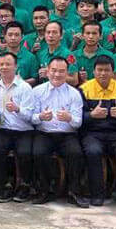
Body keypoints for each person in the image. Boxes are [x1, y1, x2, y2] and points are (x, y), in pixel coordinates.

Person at [30, 56, 88, 206]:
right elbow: (31, 118)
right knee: (38, 152)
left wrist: (69, 118)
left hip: (67, 134)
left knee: (76, 153)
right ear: (47, 71)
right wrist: (41, 116)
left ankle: (74, 192)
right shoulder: (37, 91)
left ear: (67, 73)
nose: (57, 74)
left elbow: (78, 123)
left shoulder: (74, 93)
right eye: (54, 70)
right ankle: (44, 191)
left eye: (61, 71)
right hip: (44, 133)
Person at [79, 55, 116, 207]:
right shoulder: (83, 89)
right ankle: (97, 194)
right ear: (94, 72)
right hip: (92, 133)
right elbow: (77, 117)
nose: (103, 73)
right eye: (99, 70)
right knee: (93, 152)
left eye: (107, 70)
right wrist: (91, 115)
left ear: (113, 72)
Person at [0, 52, 36, 202]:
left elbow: (30, 116)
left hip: (23, 130)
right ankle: (4, 186)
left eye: (8, 64)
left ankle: (25, 185)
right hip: (1, 129)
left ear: (15, 66)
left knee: (25, 152)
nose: (4, 67)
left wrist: (17, 109)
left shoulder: (25, 87)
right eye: (1, 64)